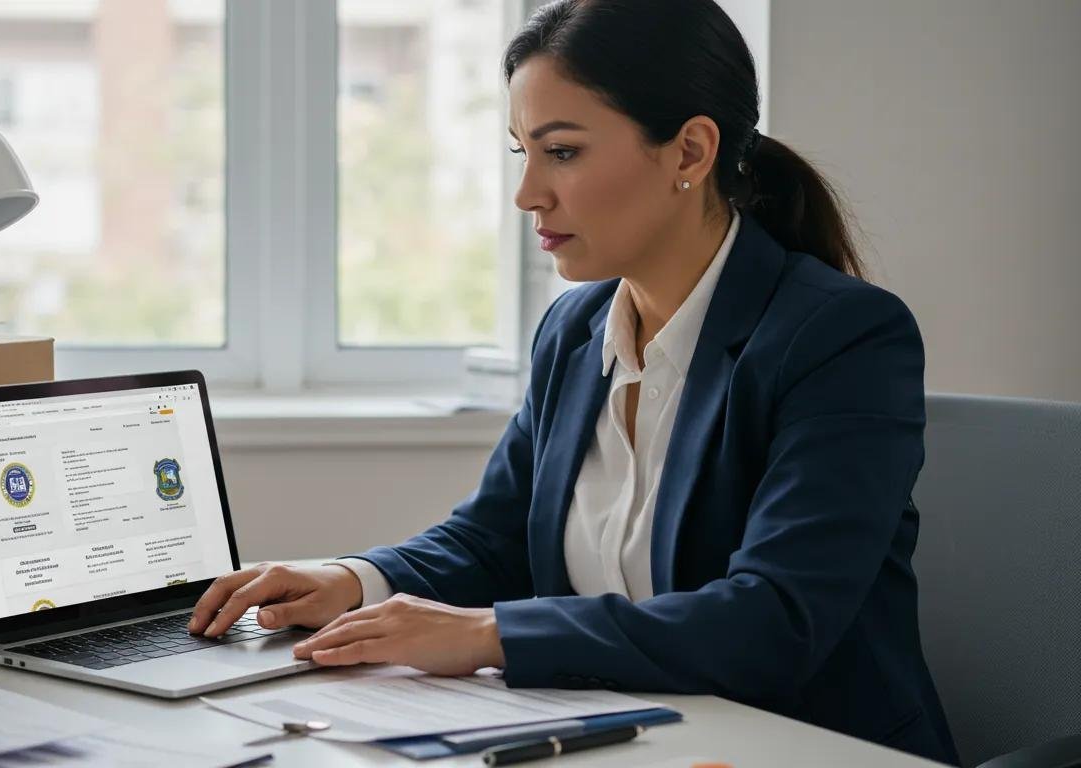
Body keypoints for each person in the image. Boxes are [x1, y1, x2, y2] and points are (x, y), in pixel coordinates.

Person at [189, 0, 957, 762]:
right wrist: (355, 580)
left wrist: (489, 634)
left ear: (690, 153)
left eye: (563, 152)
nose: (529, 195)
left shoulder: (840, 338)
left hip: (800, 747)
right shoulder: (575, 327)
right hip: (626, 736)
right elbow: (495, 537)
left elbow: (776, 619)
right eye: (523, 153)